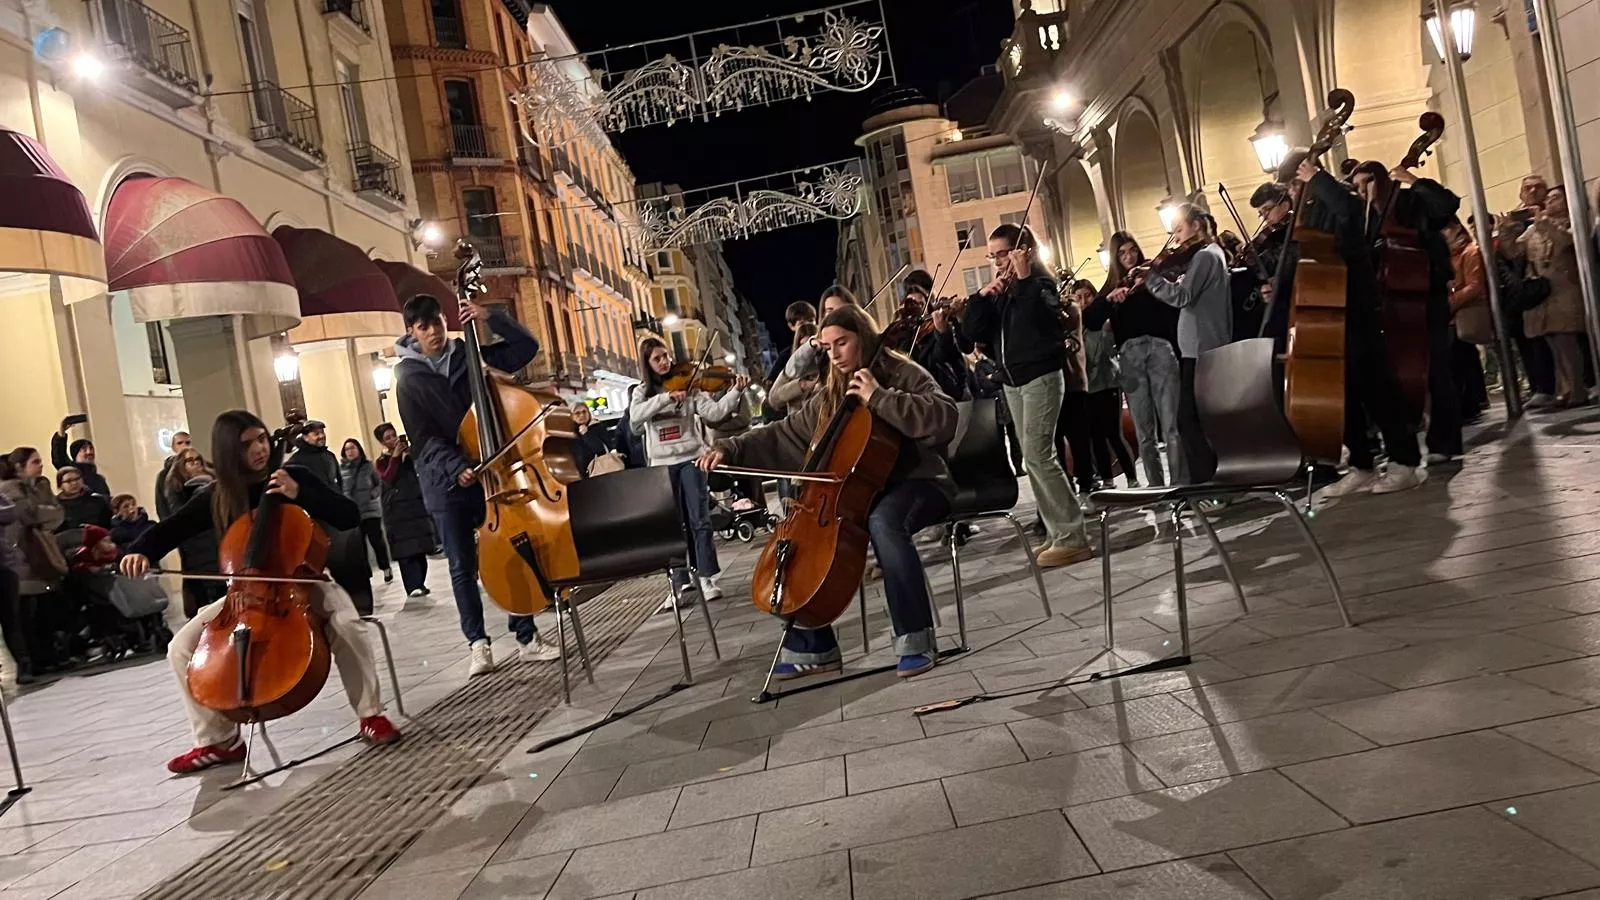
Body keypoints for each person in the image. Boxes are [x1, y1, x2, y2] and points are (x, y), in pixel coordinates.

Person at [121, 410, 401, 774]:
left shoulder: (294, 476)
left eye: (262, 439)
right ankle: (219, 741)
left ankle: (370, 714)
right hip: (246, 594)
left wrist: (299, 494)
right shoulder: (217, 496)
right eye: (247, 444)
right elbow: (171, 529)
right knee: (180, 648)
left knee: (348, 624)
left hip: (307, 584)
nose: (259, 449)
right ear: (227, 452)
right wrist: (140, 550)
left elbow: (348, 514)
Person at [697, 305, 958, 678]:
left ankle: (916, 637)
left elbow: (944, 416)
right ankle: (814, 646)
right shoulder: (832, 393)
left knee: (884, 521)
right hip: (860, 491)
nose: (834, 354)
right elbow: (782, 433)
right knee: (803, 540)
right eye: (827, 346)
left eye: (842, 343)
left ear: (863, 339)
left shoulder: (901, 372)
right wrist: (730, 449)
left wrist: (880, 397)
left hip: (920, 482)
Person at [394, 293, 560, 674]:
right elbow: (421, 438)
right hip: (445, 481)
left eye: (437, 322)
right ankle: (478, 644)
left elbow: (524, 349)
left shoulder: (468, 353)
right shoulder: (406, 378)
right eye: (424, 327)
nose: (434, 331)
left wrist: (490, 316)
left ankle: (526, 635)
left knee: (511, 548)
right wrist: (456, 468)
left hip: (493, 470)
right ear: (411, 333)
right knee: (461, 565)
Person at [1283, 153, 1425, 496]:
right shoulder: (1309, 208)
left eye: (1293, 184)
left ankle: (1404, 462)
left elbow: (1347, 217)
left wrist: (1319, 179)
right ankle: (1361, 463)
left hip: (1354, 307)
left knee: (1378, 389)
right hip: (1325, 310)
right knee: (1341, 393)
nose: (1290, 193)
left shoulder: (1340, 197)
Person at [960, 224, 1092, 567]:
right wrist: (982, 298)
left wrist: (1026, 279)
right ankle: (1055, 531)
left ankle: (1072, 535)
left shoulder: (1041, 284)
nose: (997, 261)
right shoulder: (1002, 292)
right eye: (992, 255)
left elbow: (1045, 321)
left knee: (1038, 454)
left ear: (1023, 251)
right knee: (1033, 458)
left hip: (1040, 377)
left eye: (1002, 253)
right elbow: (970, 336)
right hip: (1012, 382)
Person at [1351, 160, 1463, 461]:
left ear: (1383, 180)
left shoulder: (1410, 201)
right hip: (1393, 301)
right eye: (1358, 186)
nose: (1363, 191)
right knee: (1400, 372)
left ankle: (1445, 441)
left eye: (1368, 182)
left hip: (1426, 294)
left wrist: (1413, 179)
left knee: (1437, 368)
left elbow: (1446, 207)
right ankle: (1406, 433)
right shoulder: (1367, 219)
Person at [629, 336, 750, 607]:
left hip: (692, 460)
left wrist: (735, 392)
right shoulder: (642, 393)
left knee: (700, 520)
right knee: (672, 526)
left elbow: (716, 412)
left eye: (666, 356)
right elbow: (636, 417)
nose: (665, 362)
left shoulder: (691, 387)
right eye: (657, 358)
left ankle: (707, 577)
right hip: (661, 465)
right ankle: (680, 582)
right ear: (647, 363)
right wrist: (665, 398)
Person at [1115, 204, 1231, 484]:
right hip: (1198, 346)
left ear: (1197, 226)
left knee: (1189, 421)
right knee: (1192, 421)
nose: (1175, 236)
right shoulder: (1204, 256)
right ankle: (1204, 482)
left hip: (1203, 347)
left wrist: (1151, 279)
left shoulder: (1205, 257)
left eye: (1179, 229)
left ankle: (1206, 483)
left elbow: (1182, 297)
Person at [1102, 232, 1184, 488]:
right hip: (1130, 354)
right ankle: (1156, 485)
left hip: (1160, 348)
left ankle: (1180, 481)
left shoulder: (1152, 274)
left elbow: (1174, 304)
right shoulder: (1112, 285)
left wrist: (1154, 283)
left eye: (1132, 250)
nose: (1129, 257)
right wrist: (1110, 301)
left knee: (1172, 425)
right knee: (1144, 429)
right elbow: (1093, 319)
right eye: (1122, 253)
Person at [290, 422, 372, 613]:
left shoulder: (329, 456)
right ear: (305, 436)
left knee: (353, 566)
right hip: (319, 523)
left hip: (339, 520)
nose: (321, 436)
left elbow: (339, 487)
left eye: (322, 432)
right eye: (316, 433)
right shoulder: (296, 462)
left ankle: (361, 608)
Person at [1519, 184, 1589, 407]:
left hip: (1566, 288)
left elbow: (1568, 241)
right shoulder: (1536, 226)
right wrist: (1507, 231)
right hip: (1545, 292)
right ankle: (1564, 390)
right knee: (1553, 343)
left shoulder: (1574, 219)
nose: (1550, 202)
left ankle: (1578, 389)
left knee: (1566, 340)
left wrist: (1545, 224)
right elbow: (1515, 251)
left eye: (1556, 198)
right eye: (1548, 199)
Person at [0, 449, 64, 678]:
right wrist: (42, 512)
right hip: (19, 557)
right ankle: (30, 662)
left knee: (38, 611)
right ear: (19, 466)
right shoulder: (10, 490)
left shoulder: (36, 486)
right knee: (22, 615)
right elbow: (28, 516)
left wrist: (43, 511)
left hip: (33, 556)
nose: (41, 465)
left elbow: (57, 513)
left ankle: (43, 658)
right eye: (35, 462)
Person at [1080, 286, 1138, 487]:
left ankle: (1132, 478)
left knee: (1114, 434)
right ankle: (1107, 479)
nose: (1083, 300)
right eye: (1078, 297)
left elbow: (1109, 351)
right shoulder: (1077, 327)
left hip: (1107, 383)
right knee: (1096, 436)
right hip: (1088, 388)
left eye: (1087, 295)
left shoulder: (1102, 322)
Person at [372, 424, 434, 598]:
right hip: (397, 511)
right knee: (406, 551)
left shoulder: (409, 456)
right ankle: (412, 586)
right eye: (388, 438)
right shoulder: (382, 461)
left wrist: (409, 455)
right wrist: (396, 458)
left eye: (394, 435)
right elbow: (388, 478)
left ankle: (420, 582)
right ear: (382, 442)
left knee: (420, 548)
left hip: (415, 507)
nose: (393, 440)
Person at [163, 449, 221, 618]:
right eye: (190, 461)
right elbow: (180, 517)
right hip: (194, 545)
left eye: (198, 460)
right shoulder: (176, 489)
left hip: (214, 540)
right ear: (181, 466)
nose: (196, 464)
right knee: (203, 595)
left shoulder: (212, 482)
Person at [1445, 218, 1491, 421]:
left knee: (1461, 356)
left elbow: (1475, 284)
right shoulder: (1448, 255)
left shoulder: (1470, 251)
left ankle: (1470, 402)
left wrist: (1451, 302)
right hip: (1455, 312)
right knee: (1461, 357)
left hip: (1464, 310)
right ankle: (1470, 401)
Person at [900, 269, 969, 401]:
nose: (918, 309)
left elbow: (942, 357)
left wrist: (943, 333)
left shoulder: (942, 319)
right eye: (911, 304)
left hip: (952, 393)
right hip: (923, 398)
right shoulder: (906, 329)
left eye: (922, 303)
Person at [1054, 280, 1095, 496]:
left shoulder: (1070, 308)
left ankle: (1087, 487)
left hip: (1073, 382)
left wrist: (1055, 307)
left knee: (1079, 440)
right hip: (1051, 386)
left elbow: (1070, 326)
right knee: (1056, 442)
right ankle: (1065, 488)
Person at [339, 439, 392, 584]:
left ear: (359, 450)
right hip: (353, 512)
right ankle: (365, 573)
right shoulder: (341, 469)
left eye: (353, 448)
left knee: (377, 542)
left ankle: (386, 567)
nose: (350, 451)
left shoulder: (368, 466)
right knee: (359, 546)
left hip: (370, 511)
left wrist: (372, 495)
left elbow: (378, 484)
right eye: (347, 449)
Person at [51, 416, 110, 497]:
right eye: (84, 449)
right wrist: (61, 432)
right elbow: (59, 456)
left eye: (91, 448)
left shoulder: (99, 479)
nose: (89, 452)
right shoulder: (71, 471)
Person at [55, 467, 113, 531]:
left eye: (77, 479)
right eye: (68, 481)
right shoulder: (55, 505)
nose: (74, 483)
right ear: (60, 485)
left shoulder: (98, 501)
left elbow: (108, 526)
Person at [568, 403, 617, 478]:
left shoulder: (597, 427)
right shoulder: (569, 433)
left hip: (599, 470)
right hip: (578, 474)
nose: (582, 415)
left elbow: (602, 449)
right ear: (571, 416)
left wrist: (587, 435)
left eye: (584, 412)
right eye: (577, 413)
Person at [154, 431, 192, 521]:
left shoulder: (200, 467)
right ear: (174, 448)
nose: (184, 445)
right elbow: (161, 505)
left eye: (188, 442)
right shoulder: (164, 475)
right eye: (179, 443)